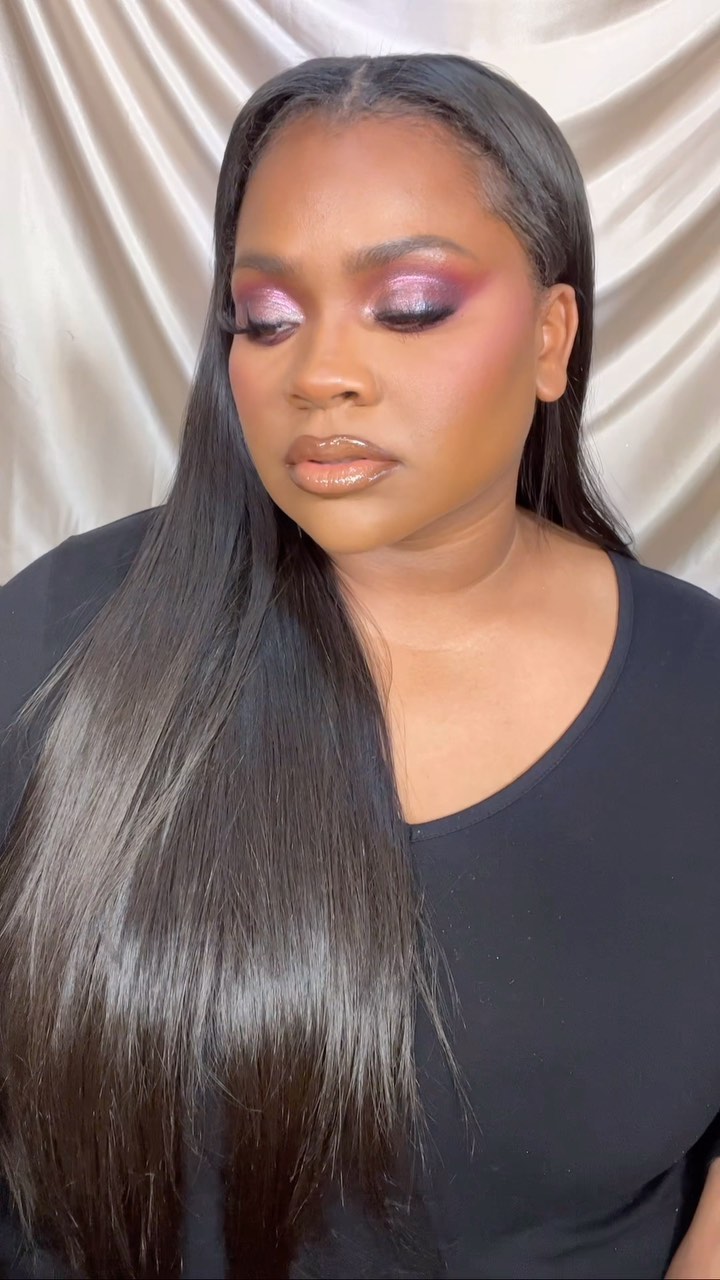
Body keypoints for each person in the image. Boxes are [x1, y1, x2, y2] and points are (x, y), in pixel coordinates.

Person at [0, 51, 718, 1280]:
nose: (318, 371)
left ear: (552, 337)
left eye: (411, 305)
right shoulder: (60, 640)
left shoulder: (699, 706)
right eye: (266, 317)